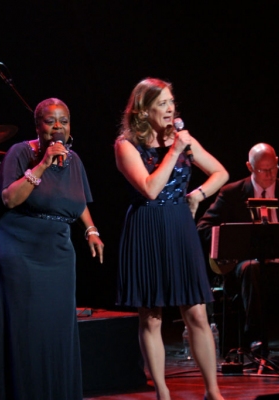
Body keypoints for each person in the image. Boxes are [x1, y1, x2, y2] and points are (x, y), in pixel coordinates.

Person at [114, 78, 228, 400]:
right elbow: (150, 188)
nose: (170, 109)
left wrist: (197, 195)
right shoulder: (126, 145)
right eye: (162, 103)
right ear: (143, 108)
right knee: (151, 317)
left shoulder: (182, 141)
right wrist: (175, 150)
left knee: (197, 312)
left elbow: (220, 172)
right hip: (147, 227)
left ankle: (213, 391)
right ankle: (163, 392)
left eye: (171, 102)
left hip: (179, 226)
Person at [0, 97, 104, 400]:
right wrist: (42, 164)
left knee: (56, 329)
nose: (58, 127)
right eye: (51, 121)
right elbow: (10, 199)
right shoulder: (20, 153)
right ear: (38, 125)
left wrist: (90, 229)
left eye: (63, 120)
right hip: (20, 247)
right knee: (28, 330)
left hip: (58, 249)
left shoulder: (73, 160)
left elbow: (77, 201)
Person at [196, 143, 279, 358]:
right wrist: (231, 240)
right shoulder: (232, 193)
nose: (269, 174)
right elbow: (204, 227)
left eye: (273, 168)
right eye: (262, 170)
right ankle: (255, 340)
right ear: (250, 167)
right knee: (252, 268)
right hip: (245, 268)